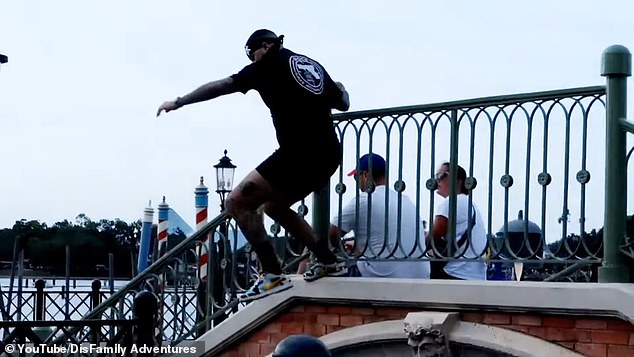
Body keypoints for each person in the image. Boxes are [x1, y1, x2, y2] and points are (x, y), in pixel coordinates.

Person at [157, 29, 350, 301]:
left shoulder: (267, 65)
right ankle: (328, 260)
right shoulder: (310, 65)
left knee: (236, 201)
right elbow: (342, 102)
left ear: (266, 46)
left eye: (251, 53)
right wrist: (339, 88)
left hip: (299, 152)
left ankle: (273, 274)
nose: (251, 59)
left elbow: (222, 86)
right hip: (328, 153)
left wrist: (180, 102)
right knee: (274, 206)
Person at [326, 153, 430, 278]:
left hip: (385, 277)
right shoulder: (405, 200)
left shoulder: (364, 200)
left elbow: (332, 233)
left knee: (330, 270)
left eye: (356, 178)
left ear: (365, 175)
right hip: (421, 275)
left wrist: (342, 248)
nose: (357, 184)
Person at [426, 162, 487, 280]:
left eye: (441, 175)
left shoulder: (452, 202)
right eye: (436, 176)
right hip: (476, 276)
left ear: (457, 180)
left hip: (455, 273)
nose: (437, 180)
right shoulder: (470, 204)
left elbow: (433, 237)